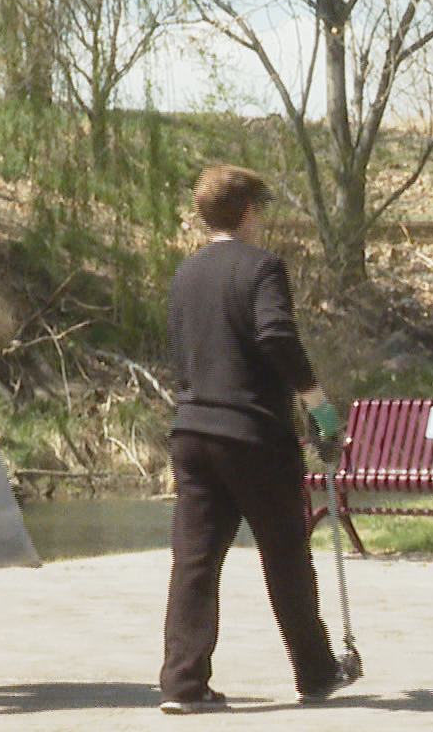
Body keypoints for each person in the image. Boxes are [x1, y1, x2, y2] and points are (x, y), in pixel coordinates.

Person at [158, 165, 360, 714]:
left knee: (194, 561)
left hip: (194, 429)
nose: (264, 219)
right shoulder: (263, 267)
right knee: (285, 556)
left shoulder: (186, 273)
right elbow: (275, 334)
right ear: (248, 212)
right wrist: (316, 401)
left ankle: (183, 684)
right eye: (261, 209)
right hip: (253, 434)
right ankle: (316, 672)